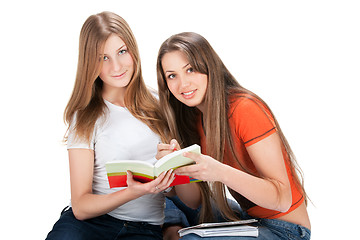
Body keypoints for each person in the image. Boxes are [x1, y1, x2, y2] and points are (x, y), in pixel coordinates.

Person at [156, 32, 311, 239]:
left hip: (285, 230)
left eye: (190, 70)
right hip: (249, 220)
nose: (183, 84)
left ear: (208, 66)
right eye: (172, 76)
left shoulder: (244, 108)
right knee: (160, 198)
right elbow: (193, 202)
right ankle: (173, 231)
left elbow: (282, 199)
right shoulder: (194, 119)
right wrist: (175, 165)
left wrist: (219, 171)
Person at [46, 11, 177, 240]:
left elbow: (185, 195)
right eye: (102, 58)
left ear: (133, 50)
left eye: (121, 52)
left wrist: (174, 166)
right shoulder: (86, 115)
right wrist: (130, 192)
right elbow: (81, 206)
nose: (116, 66)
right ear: (90, 63)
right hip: (89, 224)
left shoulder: (162, 107)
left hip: (143, 228)